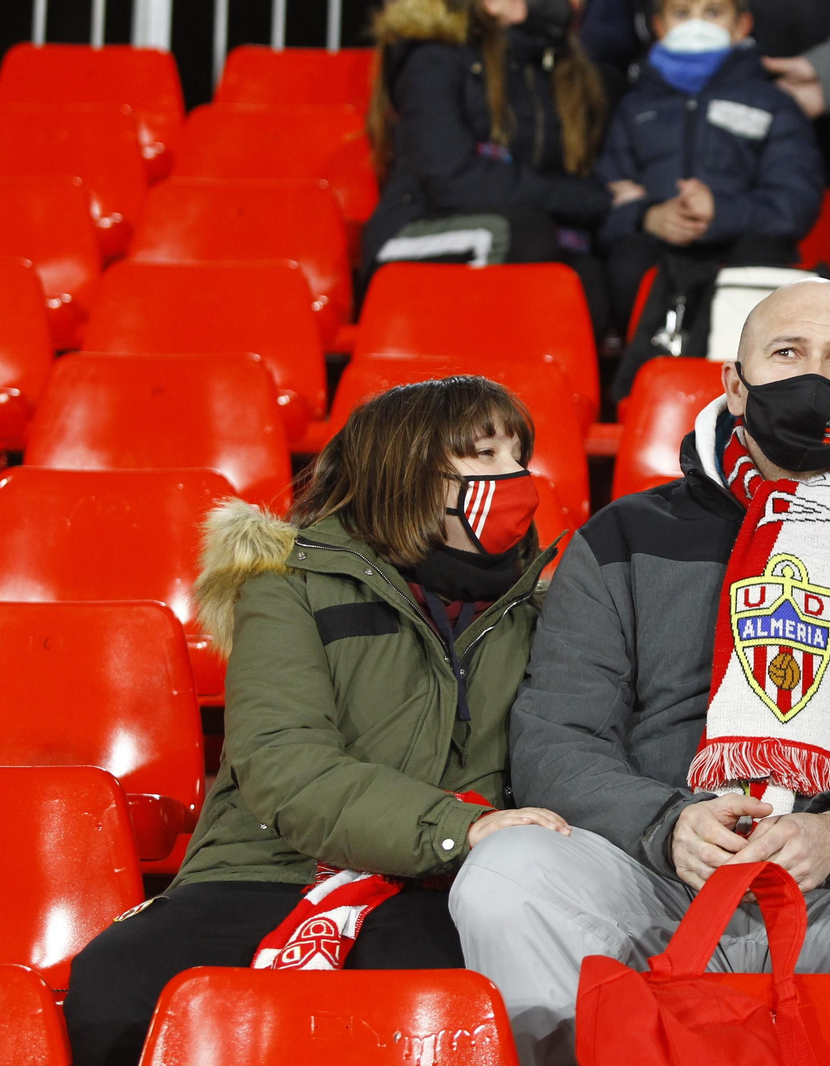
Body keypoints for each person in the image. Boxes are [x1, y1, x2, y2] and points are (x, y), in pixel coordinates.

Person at [449, 279, 830, 1066]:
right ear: (733, 381)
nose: (813, 377)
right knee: (505, 878)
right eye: (786, 353)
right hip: (656, 877)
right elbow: (557, 733)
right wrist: (664, 827)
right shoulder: (623, 535)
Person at [64, 377, 565, 1066]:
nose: (515, 479)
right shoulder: (286, 582)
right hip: (269, 866)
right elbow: (281, 762)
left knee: (441, 997)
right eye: (483, 457)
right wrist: (455, 826)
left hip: (441, 883)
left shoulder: (543, 611)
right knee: (118, 984)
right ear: (405, 472)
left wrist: (474, 840)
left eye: (518, 456)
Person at [362, 0, 614, 329]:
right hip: (413, 229)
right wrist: (592, 199)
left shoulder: (551, 66)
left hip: (512, 226)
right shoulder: (433, 58)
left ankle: (543, 379)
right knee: (523, 233)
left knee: (585, 279)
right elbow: (453, 179)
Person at [595, 0, 826, 328]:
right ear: (659, 27)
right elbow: (603, 203)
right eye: (682, 13)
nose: (697, 25)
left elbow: (795, 203)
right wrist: (647, 217)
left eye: (713, 12)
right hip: (660, 255)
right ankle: (650, 367)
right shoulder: (633, 107)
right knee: (627, 258)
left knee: (764, 254)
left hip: (742, 250)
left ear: (741, 26)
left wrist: (719, 212)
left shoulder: (774, 104)